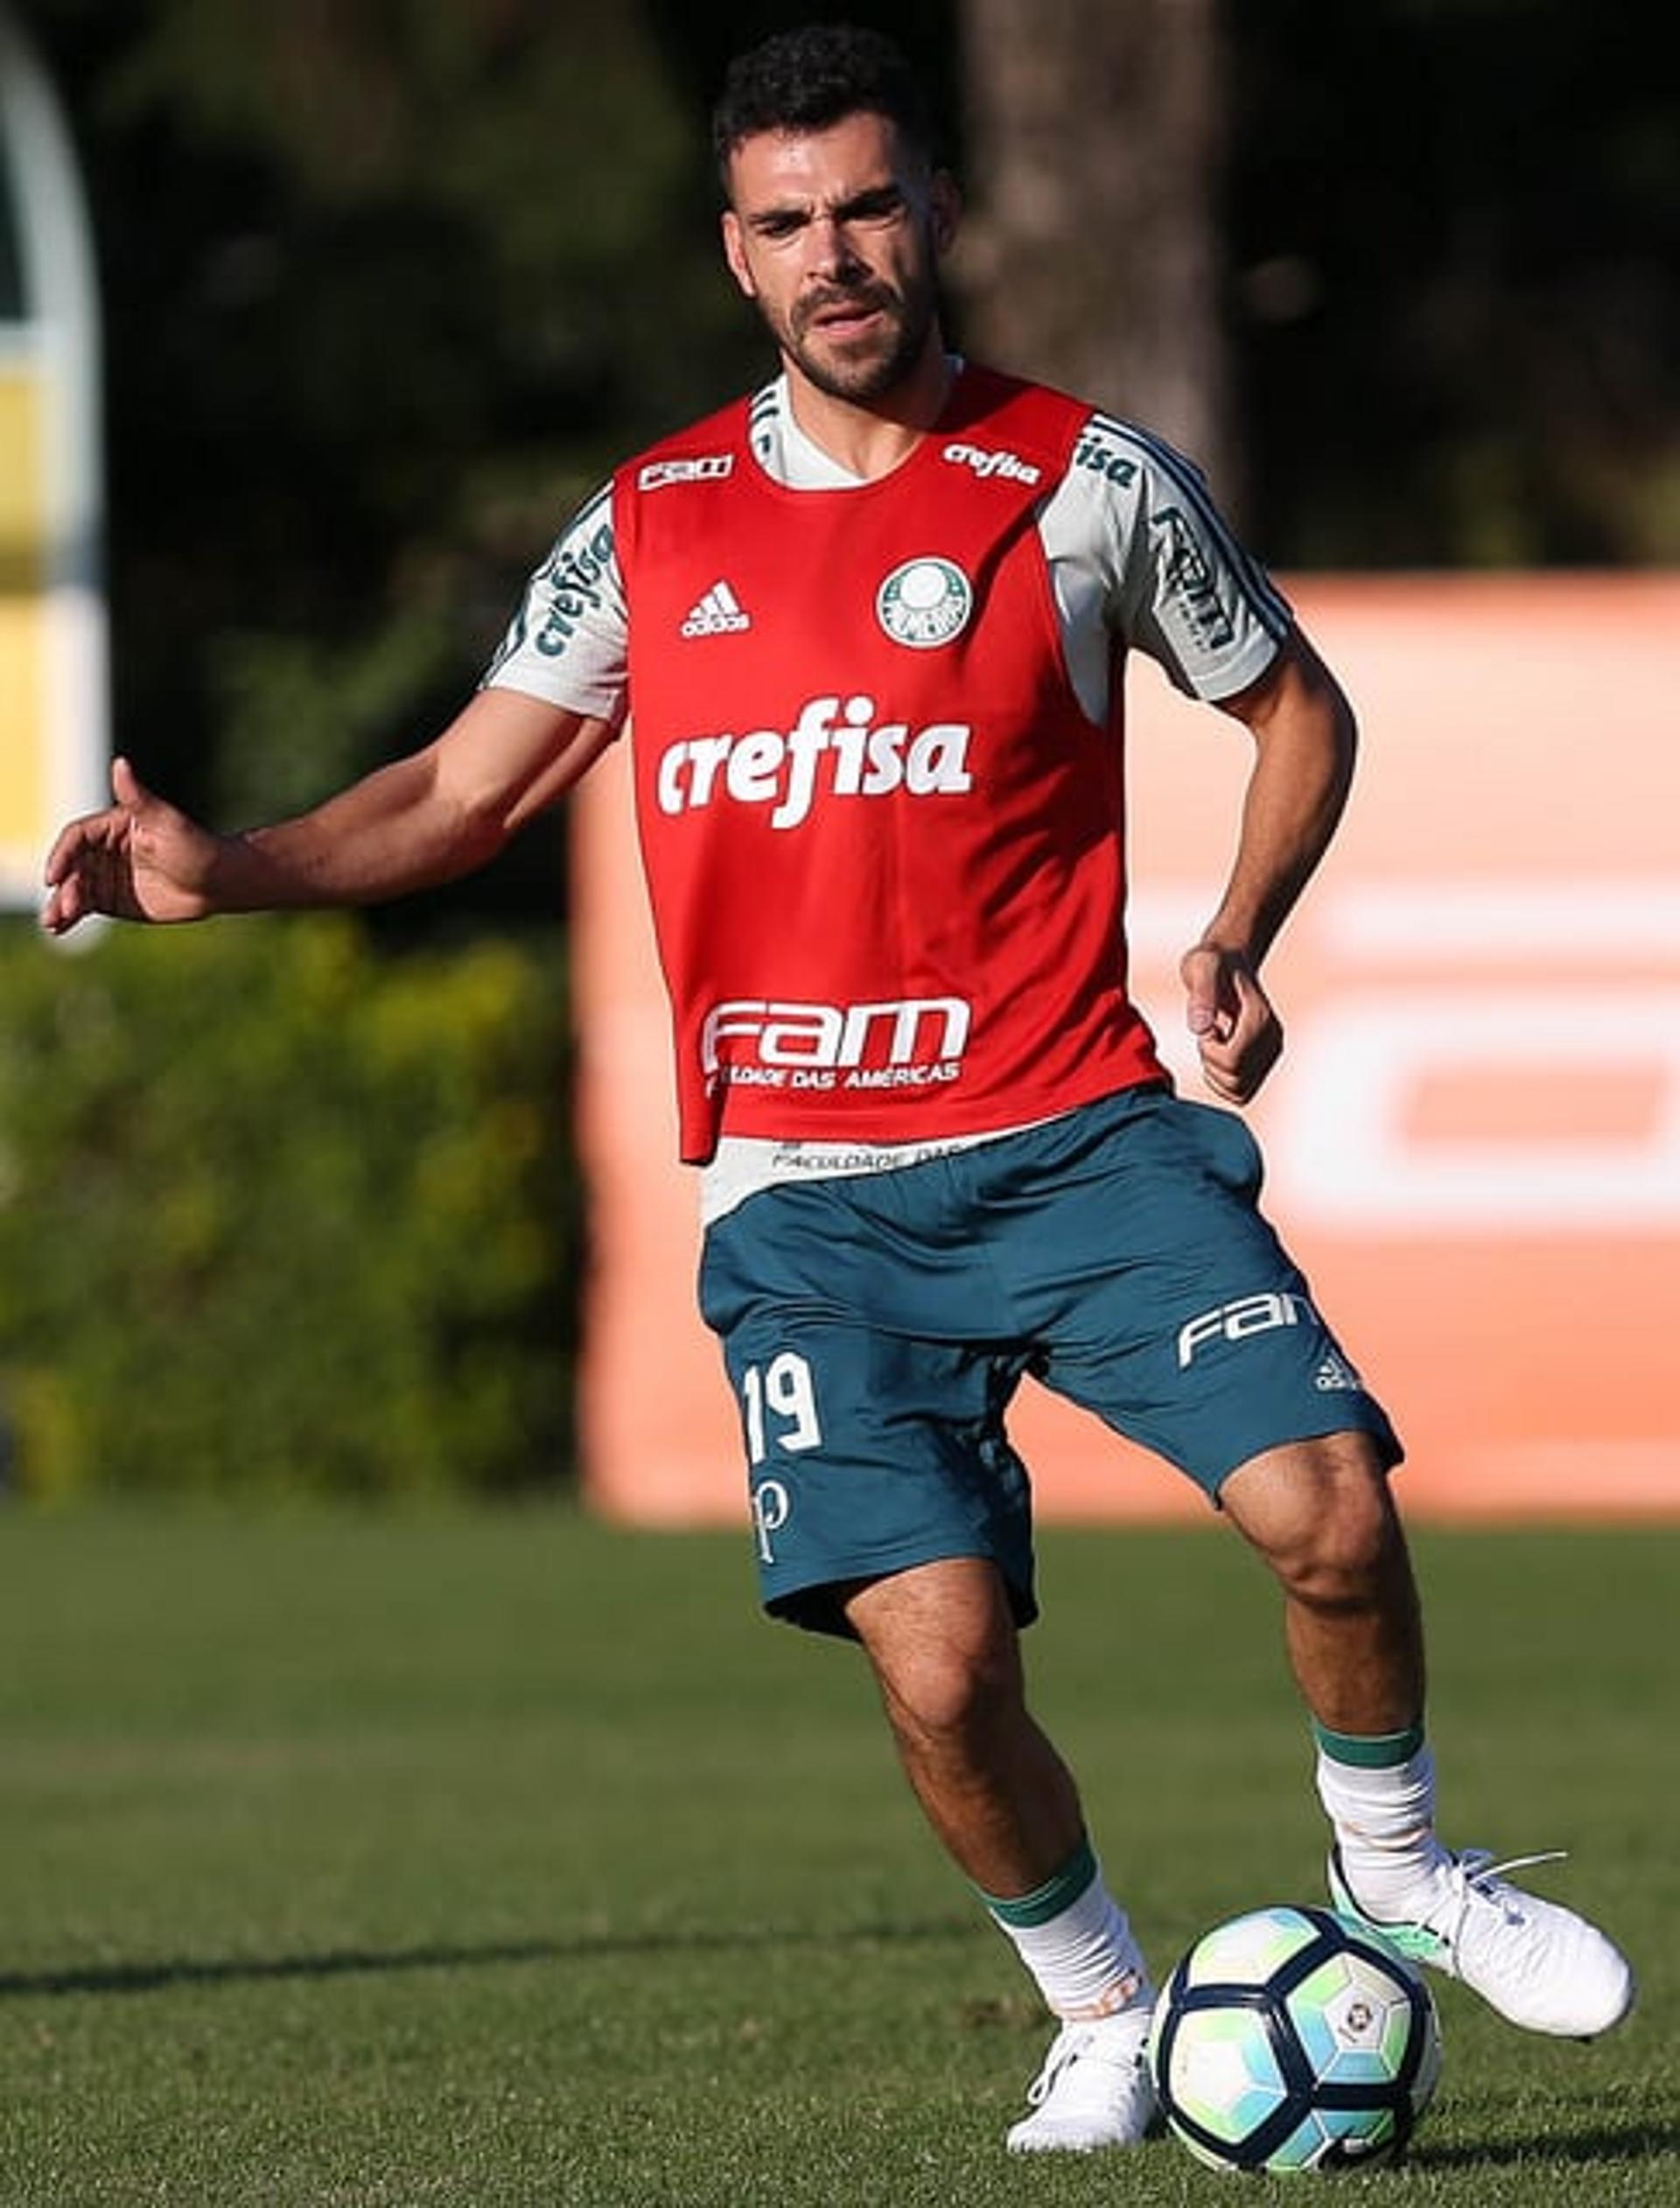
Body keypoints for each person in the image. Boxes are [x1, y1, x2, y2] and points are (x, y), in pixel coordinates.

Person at [43, 21, 1632, 2156]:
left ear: (937, 215)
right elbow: (456, 787)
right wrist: (218, 868)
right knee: (944, 1670)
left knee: (1332, 1511)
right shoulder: (652, 523)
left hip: (1080, 1132)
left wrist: (1236, 929)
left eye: (870, 205)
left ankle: (1406, 1864)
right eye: (789, 223)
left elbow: (1300, 714)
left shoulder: (1083, 481)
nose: (836, 254)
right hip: (811, 1200)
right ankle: (1101, 2004)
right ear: (735, 253)